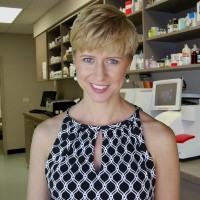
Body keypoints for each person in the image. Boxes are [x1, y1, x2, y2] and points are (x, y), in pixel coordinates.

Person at [27, 4, 180, 200]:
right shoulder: (45, 135)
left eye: (112, 60)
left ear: (128, 63)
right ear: (75, 61)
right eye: (88, 59)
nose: (100, 75)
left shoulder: (159, 138)